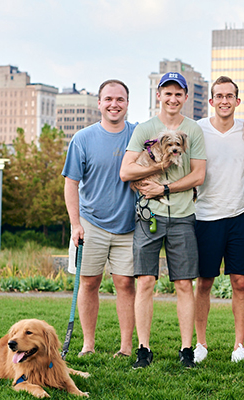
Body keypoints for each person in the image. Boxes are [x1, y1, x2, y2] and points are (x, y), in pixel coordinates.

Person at [120, 72, 206, 369]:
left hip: (182, 216)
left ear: (184, 97)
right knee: (145, 282)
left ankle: (186, 350)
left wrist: (165, 187)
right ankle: (144, 349)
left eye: (178, 93)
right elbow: (126, 172)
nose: (172, 98)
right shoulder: (144, 129)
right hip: (148, 215)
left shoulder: (192, 130)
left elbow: (198, 175)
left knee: (184, 284)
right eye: (167, 93)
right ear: (159, 95)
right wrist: (157, 168)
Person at [61, 79, 138, 358]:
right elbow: (71, 183)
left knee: (125, 285)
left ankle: (126, 348)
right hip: (91, 223)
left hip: (129, 226)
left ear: (127, 103)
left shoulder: (139, 135)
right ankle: (88, 345)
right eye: (108, 99)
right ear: (99, 103)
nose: (114, 104)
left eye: (120, 99)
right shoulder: (82, 139)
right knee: (89, 283)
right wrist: (75, 224)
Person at [191, 76, 244, 364]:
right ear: (211, 101)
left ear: (237, 101)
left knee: (240, 283)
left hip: (239, 215)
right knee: (204, 282)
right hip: (205, 216)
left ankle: (238, 346)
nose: (224, 100)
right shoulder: (198, 130)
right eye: (219, 96)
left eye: (230, 96)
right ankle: (200, 344)